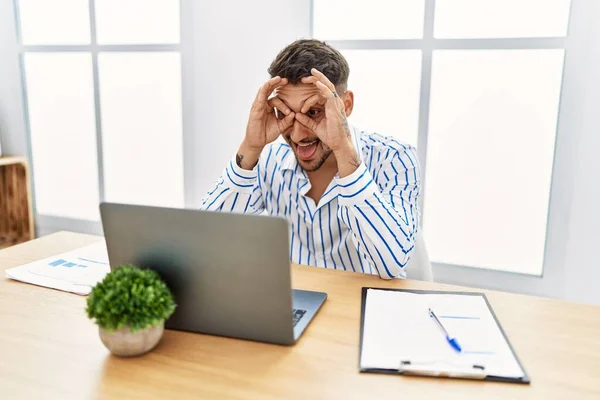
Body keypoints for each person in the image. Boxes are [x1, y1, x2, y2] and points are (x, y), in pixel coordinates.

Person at [200, 39, 421, 279]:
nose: (297, 134)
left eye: (314, 112)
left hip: (362, 308)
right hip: (294, 308)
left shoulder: (394, 158)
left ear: (345, 105)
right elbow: (207, 244)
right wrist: (251, 146)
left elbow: (392, 264)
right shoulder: (269, 160)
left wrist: (343, 149)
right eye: (284, 113)